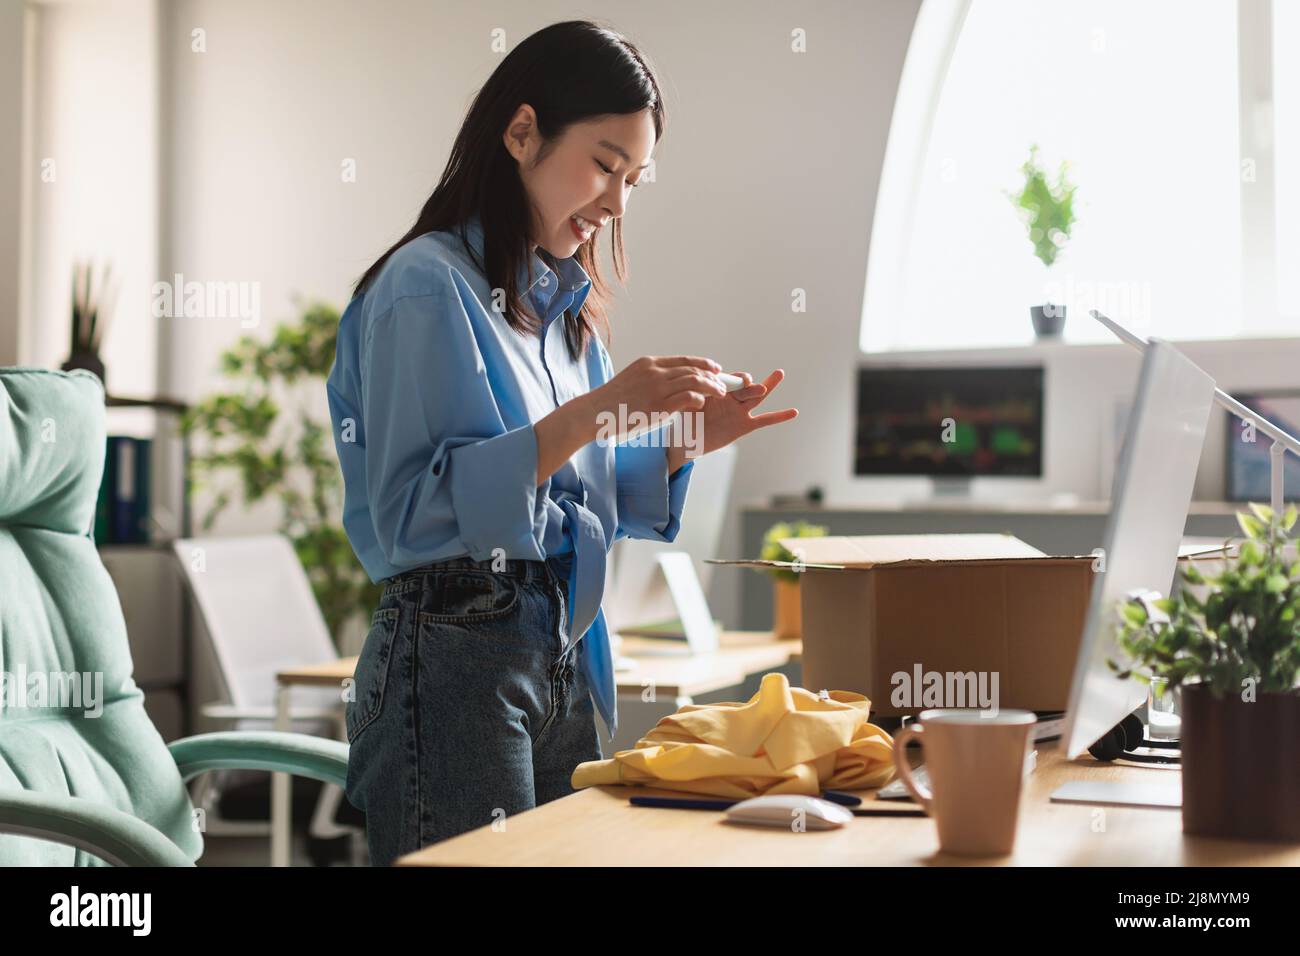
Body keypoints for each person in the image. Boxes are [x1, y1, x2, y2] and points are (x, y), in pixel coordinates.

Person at [326, 19, 797, 866]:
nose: (617, 202)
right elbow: (412, 519)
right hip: (454, 657)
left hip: (565, 656)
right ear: (521, 133)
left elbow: (570, 494)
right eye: (606, 165)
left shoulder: (570, 321)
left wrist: (686, 439)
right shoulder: (424, 287)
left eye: (636, 179)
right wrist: (603, 409)